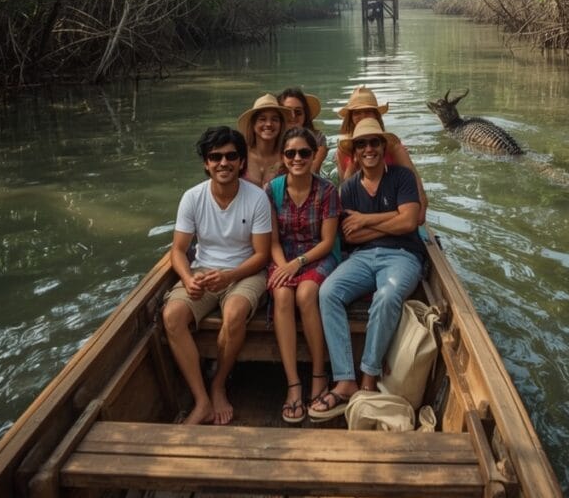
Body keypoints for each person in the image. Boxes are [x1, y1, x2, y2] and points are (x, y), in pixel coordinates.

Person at [309, 117, 425, 421]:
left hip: (403, 255)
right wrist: (390, 223)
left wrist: (366, 219)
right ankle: (345, 380)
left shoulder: (401, 177)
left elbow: (410, 222)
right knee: (328, 292)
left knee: (386, 296)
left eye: (375, 142)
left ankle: (369, 378)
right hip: (361, 258)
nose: (369, 148)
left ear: (382, 147)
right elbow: (350, 235)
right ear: (356, 152)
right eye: (362, 144)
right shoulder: (347, 189)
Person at [161, 125, 271, 425]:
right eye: (216, 157)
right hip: (202, 272)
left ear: (241, 162)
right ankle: (201, 400)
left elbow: (262, 254)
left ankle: (218, 384)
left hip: (246, 272)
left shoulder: (256, 198)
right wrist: (187, 278)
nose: (224, 163)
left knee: (234, 312)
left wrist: (230, 275)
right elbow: (179, 250)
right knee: (172, 316)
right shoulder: (192, 197)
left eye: (231, 156)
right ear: (206, 163)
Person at [265, 126, 340, 422]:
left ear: (313, 156)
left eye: (304, 153)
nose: (297, 158)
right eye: (291, 153)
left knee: (307, 293)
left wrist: (297, 264)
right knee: (283, 294)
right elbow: (271, 241)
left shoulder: (327, 191)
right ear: (283, 157)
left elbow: (327, 242)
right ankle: (294, 383)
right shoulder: (272, 189)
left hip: (316, 255)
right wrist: (284, 266)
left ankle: (319, 374)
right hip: (282, 255)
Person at [334, 86, 428, 220]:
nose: (362, 117)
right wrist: (351, 169)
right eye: (357, 113)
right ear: (351, 117)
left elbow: (414, 181)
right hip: (362, 204)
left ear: (376, 115)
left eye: (368, 112)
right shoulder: (343, 149)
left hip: (393, 202)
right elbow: (345, 186)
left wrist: (420, 207)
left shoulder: (393, 147)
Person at [237, 93, 293, 187]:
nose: (268, 124)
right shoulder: (240, 154)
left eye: (274, 119)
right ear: (253, 124)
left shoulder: (289, 155)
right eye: (262, 119)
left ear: (281, 125)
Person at [277, 87, 328, 171]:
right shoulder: (272, 140)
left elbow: (312, 171)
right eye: (288, 112)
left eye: (298, 112)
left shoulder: (318, 138)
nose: (293, 116)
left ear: (305, 115)